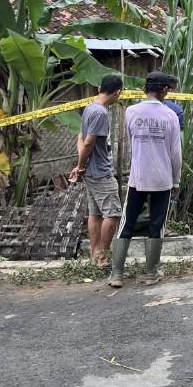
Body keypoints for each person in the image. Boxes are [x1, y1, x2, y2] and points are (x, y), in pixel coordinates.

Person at [108, 71, 182, 288]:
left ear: (145, 88)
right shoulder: (170, 116)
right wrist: (176, 180)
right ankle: (151, 273)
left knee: (126, 223)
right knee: (157, 224)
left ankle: (117, 274)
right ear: (164, 89)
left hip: (138, 176)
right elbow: (175, 153)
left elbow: (132, 141)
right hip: (162, 178)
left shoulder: (131, 112)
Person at [70, 74, 124, 268]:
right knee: (113, 213)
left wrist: (80, 165)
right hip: (100, 172)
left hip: (91, 172)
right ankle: (101, 253)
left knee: (95, 213)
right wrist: (82, 165)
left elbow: (81, 138)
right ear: (118, 92)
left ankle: (94, 254)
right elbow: (89, 141)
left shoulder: (89, 108)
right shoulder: (100, 112)